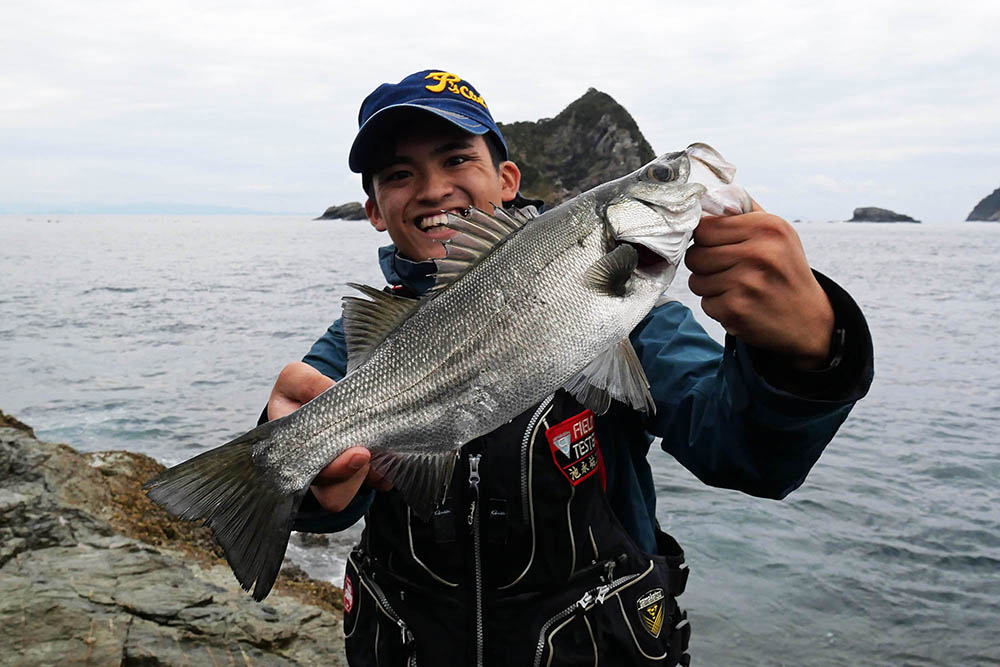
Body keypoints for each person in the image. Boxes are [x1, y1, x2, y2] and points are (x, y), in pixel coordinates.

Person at [263, 70, 873, 666]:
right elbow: (320, 485)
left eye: (456, 159)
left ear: (507, 180)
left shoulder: (639, 320)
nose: (432, 188)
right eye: (399, 174)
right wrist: (291, 460)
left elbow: (747, 456)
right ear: (374, 209)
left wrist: (803, 354)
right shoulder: (360, 341)